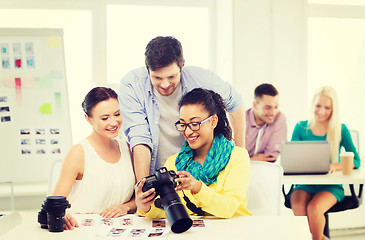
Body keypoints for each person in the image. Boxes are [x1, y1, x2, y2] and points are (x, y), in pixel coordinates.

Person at [119, 36, 245, 181]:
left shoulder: (203, 79)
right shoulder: (132, 85)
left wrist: (240, 157)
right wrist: (143, 187)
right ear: (147, 70)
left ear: (182, 66)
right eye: (157, 78)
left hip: (201, 168)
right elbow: (139, 138)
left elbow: (236, 105)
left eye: (171, 77)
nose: (165, 84)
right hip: (158, 169)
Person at [135, 88, 251, 219]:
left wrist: (197, 187)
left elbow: (228, 208)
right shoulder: (174, 162)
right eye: (183, 124)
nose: (188, 132)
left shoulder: (237, 156)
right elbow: (171, 212)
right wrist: (146, 207)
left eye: (195, 124)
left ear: (213, 121)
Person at [52, 87, 136, 230]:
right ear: (88, 119)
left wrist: (124, 207)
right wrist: (60, 214)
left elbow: (139, 197)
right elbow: (54, 204)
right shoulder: (79, 153)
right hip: (81, 230)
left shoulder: (127, 148)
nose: (114, 122)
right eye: (105, 118)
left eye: (117, 114)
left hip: (119, 230)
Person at [289, 86, 360, 240]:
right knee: (299, 206)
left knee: (314, 208)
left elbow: (356, 160)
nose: (321, 111)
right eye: (318, 106)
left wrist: (335, 165)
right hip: (305, 184)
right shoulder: (301, 128)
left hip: (331, 186)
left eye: (327, 107)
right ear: (312, 105)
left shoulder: (340, 129)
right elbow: (293, 158)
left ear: (333, 109)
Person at [245, 83, 287, 162]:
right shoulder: (242, 120)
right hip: (240, 170)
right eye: (268, 108)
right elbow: (233, 158)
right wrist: (252, 160)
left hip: (266, 169)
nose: (273, 113)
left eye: (276, 107)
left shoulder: (280, 118)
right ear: (255, 105)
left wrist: (247, 160)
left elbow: (271, 157)